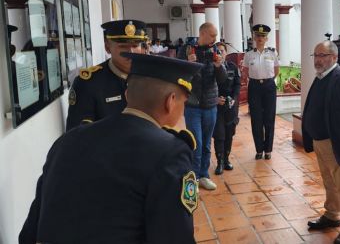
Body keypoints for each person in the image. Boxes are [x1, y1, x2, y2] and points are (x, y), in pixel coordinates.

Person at [19, 53, 203, 244]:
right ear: (171, 101)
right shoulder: (169, 152)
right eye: (184, 103)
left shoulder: (67, 140)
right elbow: (174, 237)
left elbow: (30, 231)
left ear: (126, 95)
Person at [303, 41, 340, 244]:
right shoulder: (321, 77)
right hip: (321, 141)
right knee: (329, 182)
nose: (318, 59)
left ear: (334, 57)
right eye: (316, 55)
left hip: (338, 142)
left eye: (323, 55)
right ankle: (332, 215)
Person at [66, 20, 148, 130]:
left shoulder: (152, 79)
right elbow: (77, 136)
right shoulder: (88, 83)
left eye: (135, 45)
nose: (131, 52)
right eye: (123, 46)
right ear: (107, 47)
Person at [185, 22, 226, 190]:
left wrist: (219, 66)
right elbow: (179, 76)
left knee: (207, 143)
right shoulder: (187, 50)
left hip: (210, 105)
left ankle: (203, 175)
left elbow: (223, 79)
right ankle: (193, 177)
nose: (215, 39)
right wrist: (188, 63)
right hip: (193, 105)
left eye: (216, 36)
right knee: (196, 142)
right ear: (202, 34)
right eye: (212, 36)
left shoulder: (215, 51)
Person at [242, 24, 279, 160]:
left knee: (269, 118)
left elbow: (276, 70)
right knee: (256, 119)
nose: (260, 38)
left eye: (263, 36)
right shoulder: (248, 54)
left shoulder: (272, 53)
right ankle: (259, 149)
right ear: (254, 37)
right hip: (254, 87)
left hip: (269, 86)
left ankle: (268, 150)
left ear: (267, 38)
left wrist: (268, 80)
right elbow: (245, 72)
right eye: (258, 35)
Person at [213, 42, 241, 175]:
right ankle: (219, 162)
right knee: (219, 135)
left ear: (226, 53)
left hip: (230, 106)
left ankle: (227, 159)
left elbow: (237, 84)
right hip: (217, 106)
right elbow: (209, 87)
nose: (220, 53)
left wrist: (234, 98)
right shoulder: (212, 68)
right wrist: (215, 99)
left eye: (222, 51)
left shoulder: (233, 67)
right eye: (217, 51)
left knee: (229, 134)